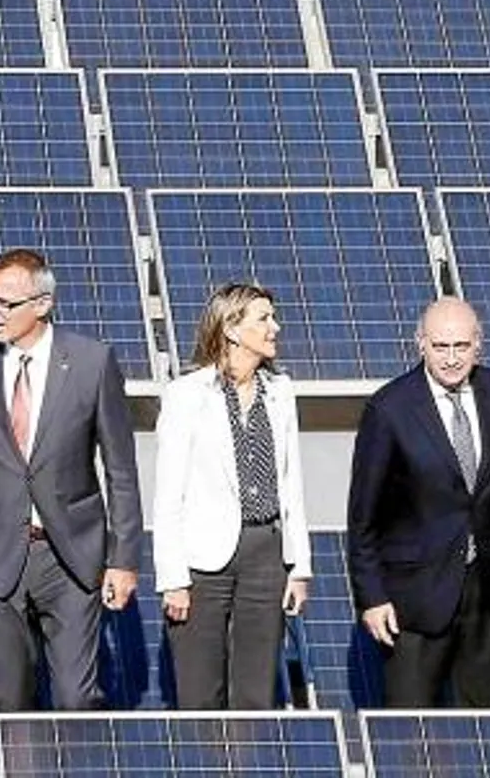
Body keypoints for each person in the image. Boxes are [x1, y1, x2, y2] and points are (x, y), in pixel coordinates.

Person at [0, 248, 142, 713]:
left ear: (43, 303)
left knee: (76, 697)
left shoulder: (92, 363)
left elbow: (121, 472)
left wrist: (124, 558)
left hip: (70, 556)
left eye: (4, 303)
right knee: (6, 701)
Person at [346, 297, 490, 707]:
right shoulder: (390, 408)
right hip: (414, 598)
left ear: (478, 346)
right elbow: (363, 517)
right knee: (414, 736)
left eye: (461, 347)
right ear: (421, 344)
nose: (451, 359)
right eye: (440, 347)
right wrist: (372, 597)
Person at [153, 283, 312, 709]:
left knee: (257, 691)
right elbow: (168, 494)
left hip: (266, 552)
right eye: (264, 319)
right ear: (232, 329)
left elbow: (291, 482)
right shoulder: (186, 396)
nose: (274, 327)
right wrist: (173, 580)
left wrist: (299, 567)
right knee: (199, 691)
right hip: (203, 560)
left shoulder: (280, 393)